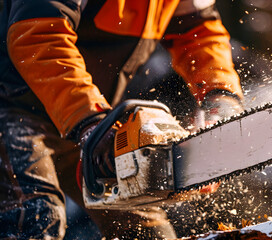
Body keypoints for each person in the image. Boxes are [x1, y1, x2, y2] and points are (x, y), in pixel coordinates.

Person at [0, 0, 243, 239]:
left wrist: (219, 94)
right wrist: (89, 118)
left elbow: (198, 33)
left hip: (88, 115)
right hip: (15, 105)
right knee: (34, 219)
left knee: (145, 230)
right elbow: (38, 34)